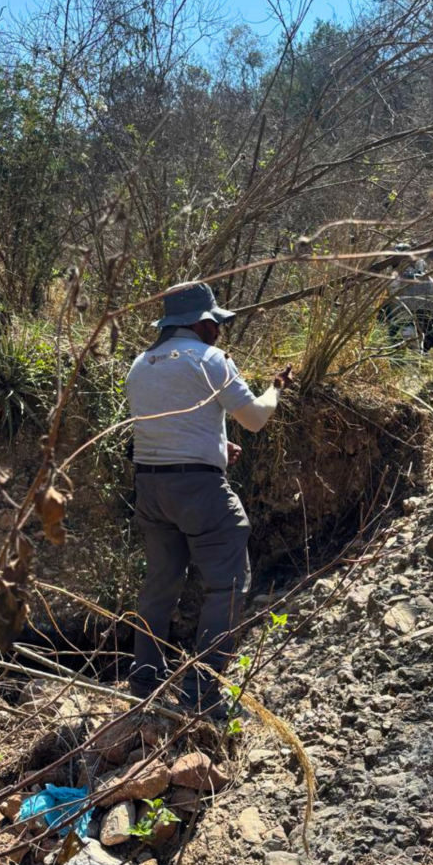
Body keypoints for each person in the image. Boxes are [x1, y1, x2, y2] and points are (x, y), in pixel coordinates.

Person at [124, 282, 293, 712]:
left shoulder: (140, 366)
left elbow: (171, 428)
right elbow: (254, 419)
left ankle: (145, 680)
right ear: (200, 323)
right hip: (199, 491)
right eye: (216, 323)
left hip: (150, 488)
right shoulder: (210, 359)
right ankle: (201, 692)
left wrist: (218, 448)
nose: (220, 331)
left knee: (161, 584)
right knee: (231, 585)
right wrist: (275, 389)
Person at [380, 243, 433, 351]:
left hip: (398, 330)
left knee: (399, 363)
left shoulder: (391, 281)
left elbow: (381, 309)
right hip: (422, 330)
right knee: (417, 360)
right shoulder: (428, 280)